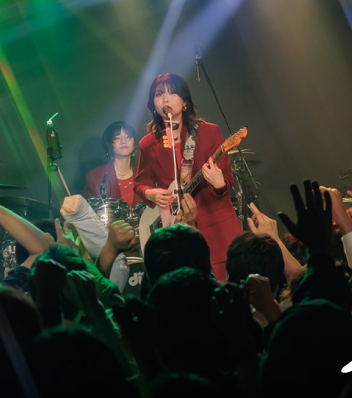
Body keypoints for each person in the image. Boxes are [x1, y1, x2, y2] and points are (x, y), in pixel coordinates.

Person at [134, 73, 240, 280]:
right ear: (153, 104)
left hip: (216, 227)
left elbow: (227, 178)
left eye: (172, 92)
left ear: (184, 102)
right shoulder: (147, 144)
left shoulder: (209, 132)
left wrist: (219, 183)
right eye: (159, 94)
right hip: (176, 230)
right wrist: (151, 193)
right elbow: (141, 183)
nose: (165, 98)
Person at [81, 121, 139, 206]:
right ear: (109, 144)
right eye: (117, 137)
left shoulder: (144, 172)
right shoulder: (96, 176)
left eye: (128, 136)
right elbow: (86, 209)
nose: (123, 141)